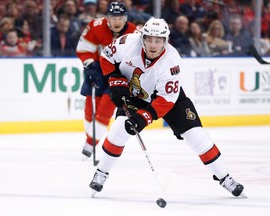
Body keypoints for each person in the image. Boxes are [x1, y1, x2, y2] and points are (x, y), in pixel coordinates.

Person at [89, 17, 245, 198]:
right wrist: (116, 81)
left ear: (165, 41)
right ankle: (101, 173)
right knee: (118, 131)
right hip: (135, 94)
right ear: (143, 38)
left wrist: (142, 119)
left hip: (169, 99)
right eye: (149, 39)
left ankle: (225, 177)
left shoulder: (172, 61)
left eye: (158, 40)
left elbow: (165, 100)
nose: (153, 45)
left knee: (197, 137)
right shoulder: (128, 42)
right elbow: (107, 56)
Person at [76, 2, 139, 158]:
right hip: (97, 71)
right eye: (113, 18)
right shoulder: (96, 26)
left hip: (119, 75)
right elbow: (84, 49)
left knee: (105, 108)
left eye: (120, 18)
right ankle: (91, 139)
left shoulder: (135, 33)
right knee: (90, 108)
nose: (117, 22)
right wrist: (89, 65)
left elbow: (140, 58)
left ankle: (90, 143)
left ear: (126, 19)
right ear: (107, 18)